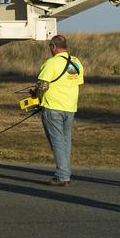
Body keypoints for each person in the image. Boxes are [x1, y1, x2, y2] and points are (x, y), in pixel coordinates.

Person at [33, 35, 84, 186]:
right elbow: (78, 82)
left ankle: (62, 176)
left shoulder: (51, 62)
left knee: (57, 142)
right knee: (65, 140)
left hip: (53, 107)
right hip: (70, 107)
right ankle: (65, 172)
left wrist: (36, 96)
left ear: (53, 47)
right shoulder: (76, 62)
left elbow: (42, 85)